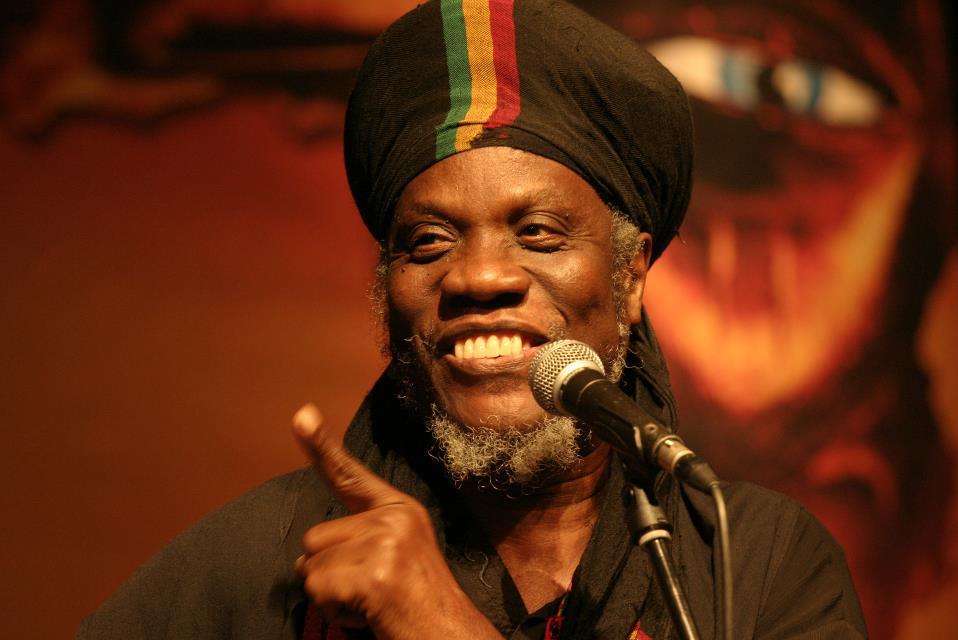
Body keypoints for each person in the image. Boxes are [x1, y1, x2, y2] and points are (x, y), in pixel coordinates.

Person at [77, 1, 866, 638]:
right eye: (428, 241)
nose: (479, 277)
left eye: (538, 233)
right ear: (388, 290)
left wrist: (437, 625)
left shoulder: (759, 566)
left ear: (630, 277)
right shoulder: (269, 564)